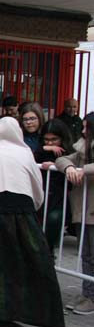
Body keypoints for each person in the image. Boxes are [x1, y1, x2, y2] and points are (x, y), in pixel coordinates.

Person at [0, 117, 65, 327]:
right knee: (25, 258)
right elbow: (36, 183)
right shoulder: (23, 151)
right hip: (20, 209)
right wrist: (35, 205)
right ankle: (27, 310)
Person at [55, 112, 94, 315]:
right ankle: (88, 293)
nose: (83, 130)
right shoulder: (82, 147)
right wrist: (71, 167)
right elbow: (63, 160)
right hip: (84, 209)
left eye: (88, 127)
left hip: (91, 209)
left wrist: (82, 170)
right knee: (86, 254)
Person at [35, 118, 74, 255]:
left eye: (54, 139)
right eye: (47, 140)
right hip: (39, 199)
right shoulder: (40, 151)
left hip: (58, 200)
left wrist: (57, 166)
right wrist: (44, 148)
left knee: (53, 223)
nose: (50, 143)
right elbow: (30, 157)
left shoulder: (70, 153)